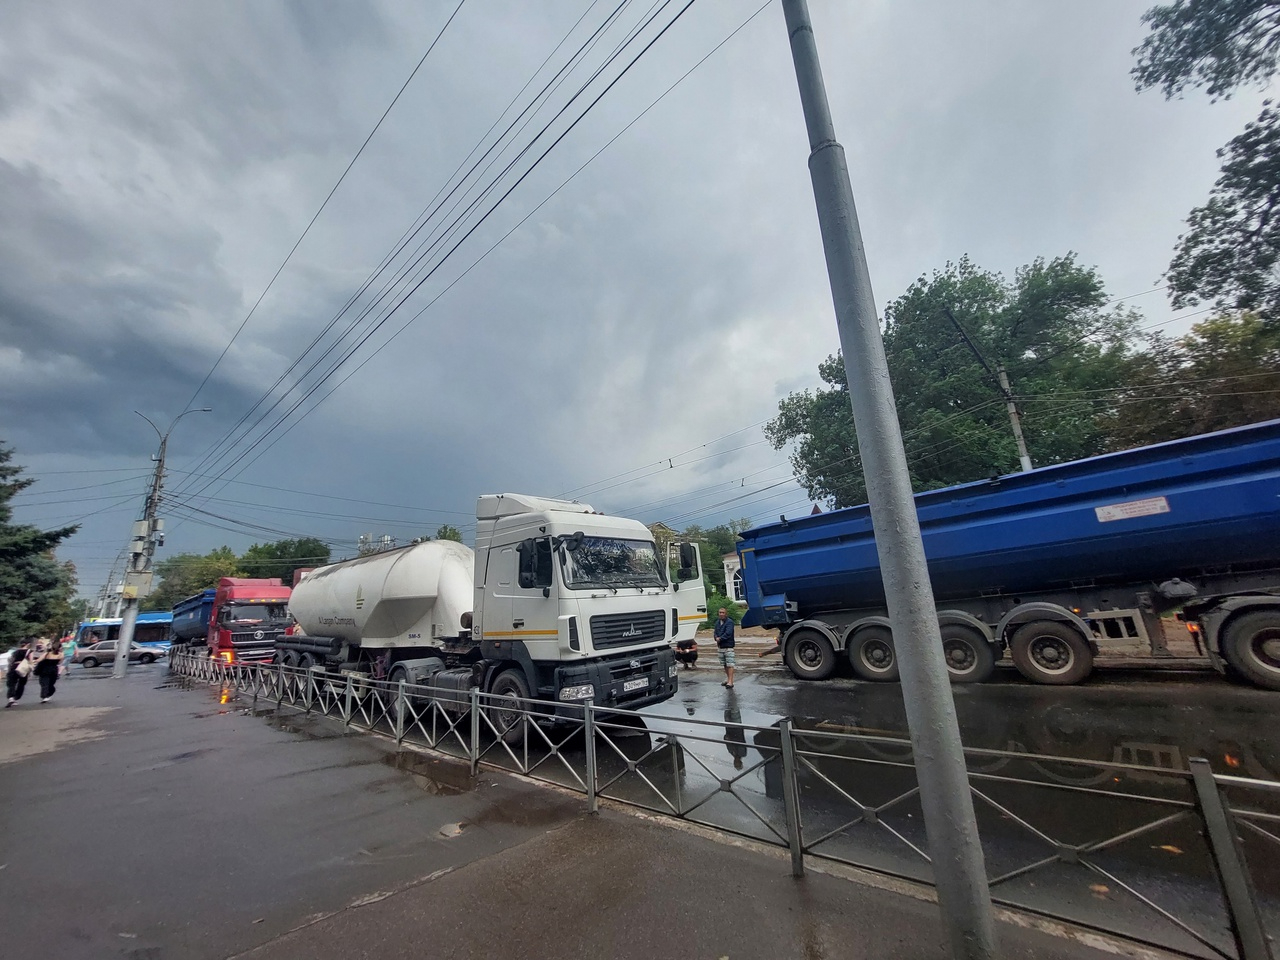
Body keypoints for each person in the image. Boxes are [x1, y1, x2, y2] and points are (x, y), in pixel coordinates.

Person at [32, 637, 63, 703]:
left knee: (44, 683)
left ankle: (44, 696)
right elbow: (60, 663)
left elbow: (39, 660)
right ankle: (48, 694)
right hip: (54, 670)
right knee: (51, 684)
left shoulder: (47, 654)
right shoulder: (61, 655)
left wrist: (33, 661)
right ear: (60, 648)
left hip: (44, 670)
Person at [6, 639, 34, 707]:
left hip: (14, 667)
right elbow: (31, 661)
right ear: (27, 644)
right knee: (21, 683)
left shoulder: (15, 651)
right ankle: (16, 697)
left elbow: (11, 661)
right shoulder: (29, 651)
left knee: (12, 683)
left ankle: (11, 697)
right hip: (23, 668)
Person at [714, 607, 735, 688]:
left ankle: (731, 681)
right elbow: (715, 632)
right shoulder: (717, 623)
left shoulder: (730, 622)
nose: (721, 614)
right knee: (724, 664)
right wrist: (715, 637)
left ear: (726, 614)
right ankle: (728, 679)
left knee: (730, 664)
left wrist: (720, 638)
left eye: (723, 612)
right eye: (720, 612)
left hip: (728, 646)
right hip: (720, 646)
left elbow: (728, 633)